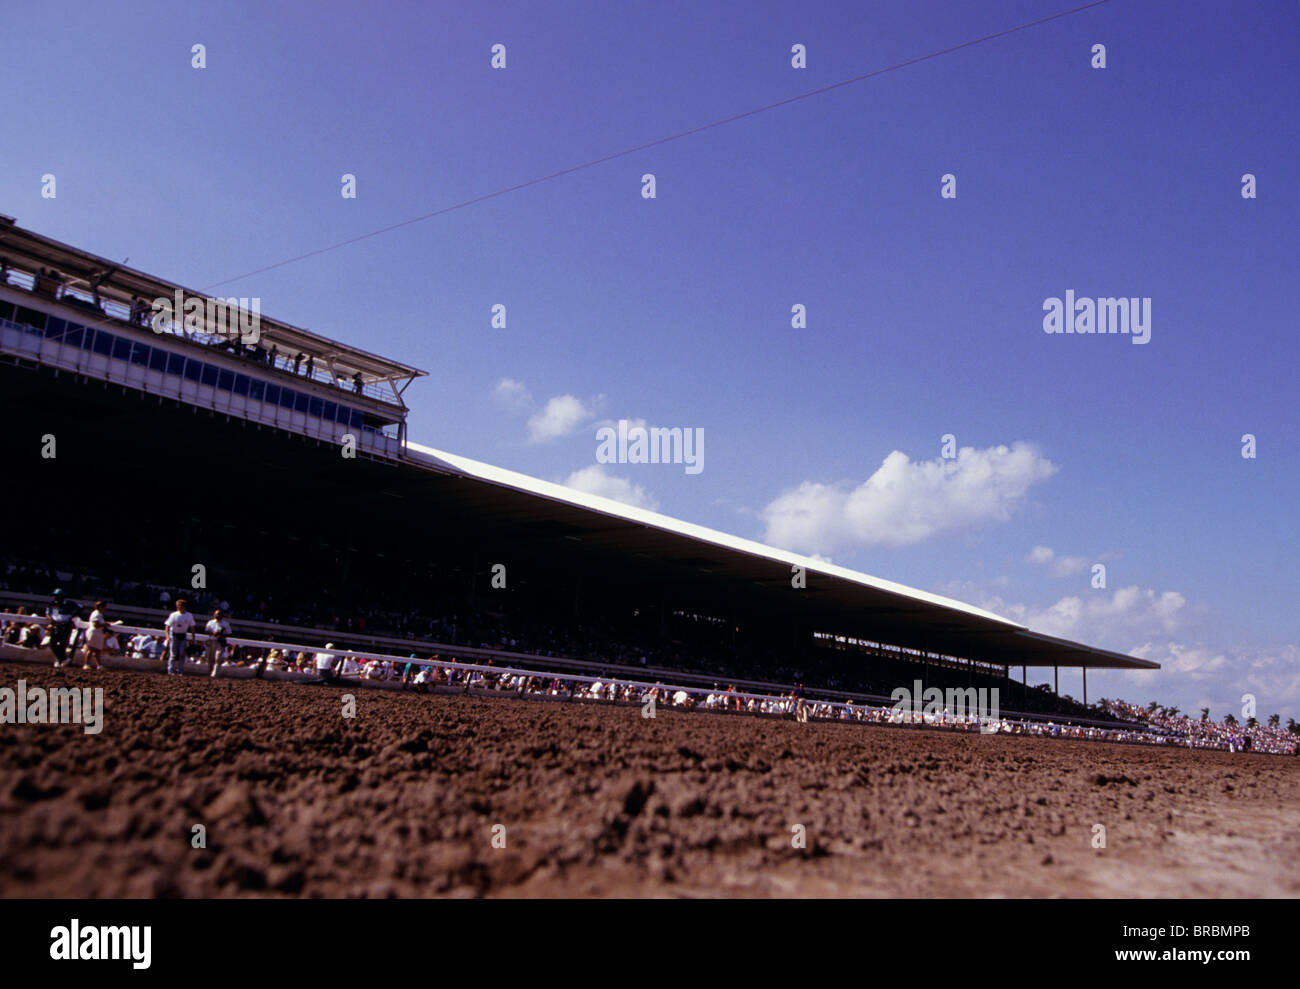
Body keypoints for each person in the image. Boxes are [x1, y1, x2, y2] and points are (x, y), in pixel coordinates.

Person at [45, 588, 81, 668]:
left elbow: (80, 608)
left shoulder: (69, 604)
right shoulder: (52, 604)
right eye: (54, 596)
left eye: (57, 596)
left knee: (63, 644)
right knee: (52, 644)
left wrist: (72, 616)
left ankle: (59, 660)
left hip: (66, 626)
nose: (55, 598)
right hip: (56, 625)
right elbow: (47, 612)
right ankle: (63, 658)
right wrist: (51, 619)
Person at [164, 599, 195, 675]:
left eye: (180, 606)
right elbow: (167, 626)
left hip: (183, 635)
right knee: (173, 654)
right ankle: (170, 671)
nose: (179, 607)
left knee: (182, 654)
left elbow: (192, 627)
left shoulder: (189, 615)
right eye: (178, 606)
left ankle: (180, 671)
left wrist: (193, 637)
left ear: (184, 607)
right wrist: (167, 637)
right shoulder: (173, 615)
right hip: (174, 635)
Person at [204, 608, 231, 678]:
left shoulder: (225, 624)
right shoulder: (210, 622)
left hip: (220, 642)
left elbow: (229, 633)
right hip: (212, 641)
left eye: (218, 614)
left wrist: (221, 635)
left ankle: (214, 674)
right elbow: (206, 631)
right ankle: (209, 672)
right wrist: (213, 633)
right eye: (215, 614)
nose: (216, 616)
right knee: (210, 658)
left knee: (218, 658)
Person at [81, 601, 107, 670]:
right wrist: (105, 624)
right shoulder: (96, 614)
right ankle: (86, 664)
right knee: (91, 649)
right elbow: (96, 625)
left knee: (98, 650)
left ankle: (99, 665)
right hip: (94, 633)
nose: (105, 609)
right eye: (104, 607)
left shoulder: (99, 614)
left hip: (98, 633)